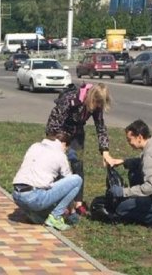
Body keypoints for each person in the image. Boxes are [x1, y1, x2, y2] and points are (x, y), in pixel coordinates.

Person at [45, 82, 117, 215]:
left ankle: (78, 203)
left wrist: (105, 150)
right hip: (60, 132)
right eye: (97, 104)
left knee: (77, 164)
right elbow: (53, 123)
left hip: (77, 132)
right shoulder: (70, 99)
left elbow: (100, 126)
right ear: (91, 98)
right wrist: (59, 142)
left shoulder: (97, 105)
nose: (97, 108)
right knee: (59, 166)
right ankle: (55, 200)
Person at [11, 131, 82, 231]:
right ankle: (55, 217)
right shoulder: (60, 155)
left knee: (41, 217)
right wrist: (72, 210)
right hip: (34, 197)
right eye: (67, 149)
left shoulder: (35, 146)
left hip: (16, 195)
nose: (66, 151)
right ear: (64, 144)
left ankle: (34, 214)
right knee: (77, 180)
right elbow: (69, 182)